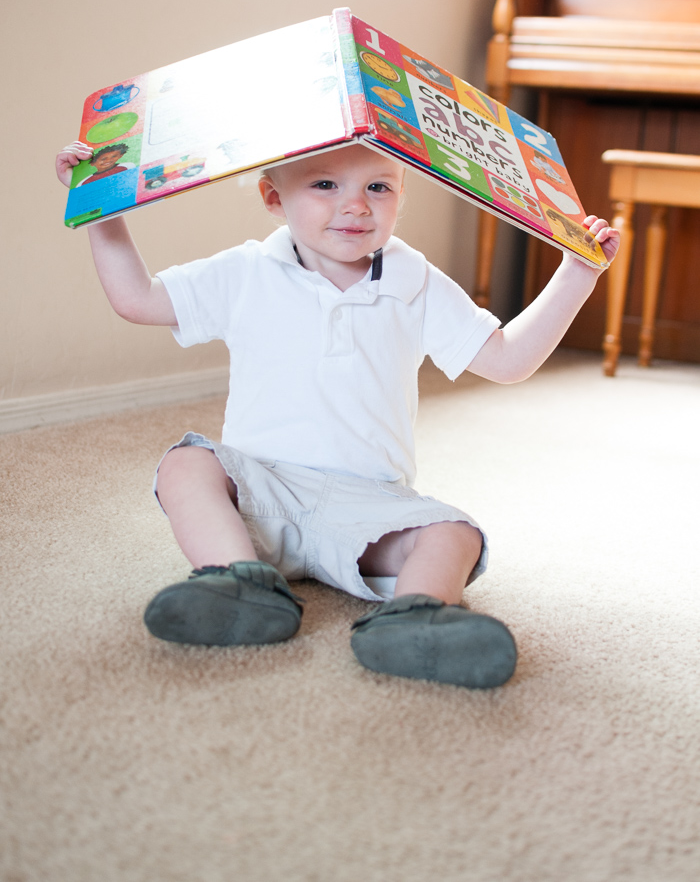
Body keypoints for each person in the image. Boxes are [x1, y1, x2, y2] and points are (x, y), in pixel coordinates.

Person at [55, 139, 619, 689]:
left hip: (367, 508)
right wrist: (102, 212)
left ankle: (416, 618)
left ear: (402, 196)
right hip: (258, 493)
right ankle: (236, 578)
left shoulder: (415, 281)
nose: (356, 204)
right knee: (186, 464)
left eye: (379, 187)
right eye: (325, 185)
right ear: (273, 198)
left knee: (454, 532)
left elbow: (508, 360)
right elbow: (137, 299)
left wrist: (577, 273)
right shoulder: (246, 271)